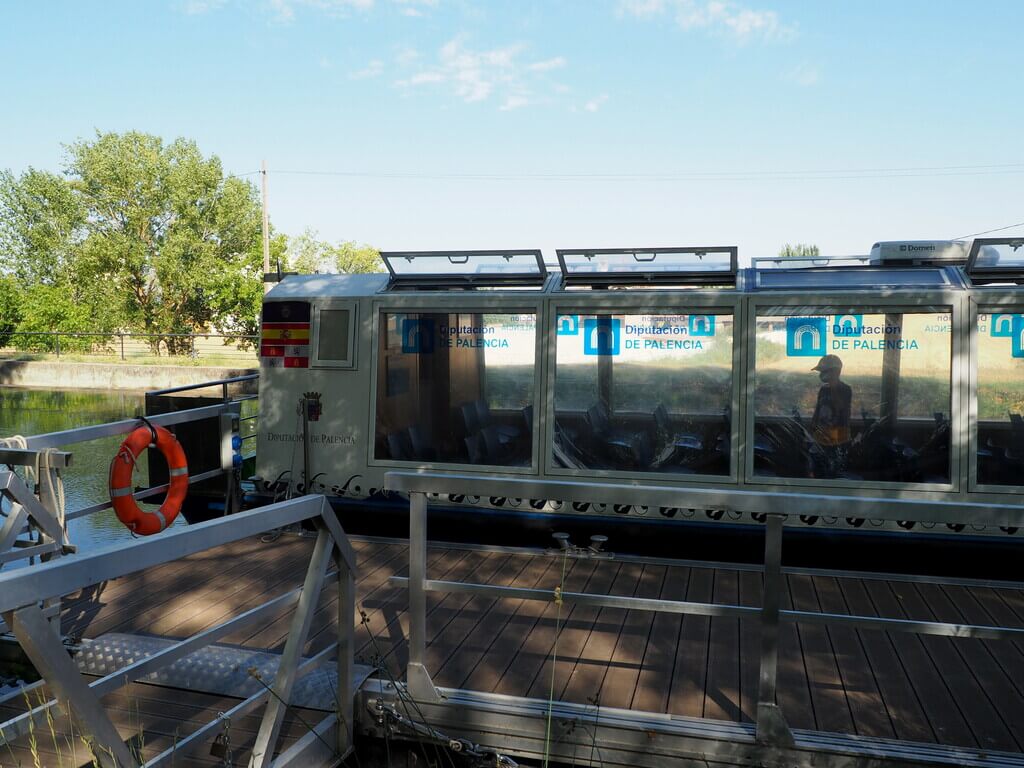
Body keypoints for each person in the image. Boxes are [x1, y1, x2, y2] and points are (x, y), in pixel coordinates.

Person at [809, 354, 852, 477]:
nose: (821, 375)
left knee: (834, 470)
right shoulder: (823, 389)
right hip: (821, 436)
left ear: (835, 372)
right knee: (819, 468)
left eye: (824, 372)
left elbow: (840, 407)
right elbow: (818, 409)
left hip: (838, 437)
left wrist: (833, 385)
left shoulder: (845, 389)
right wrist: (813, 426)